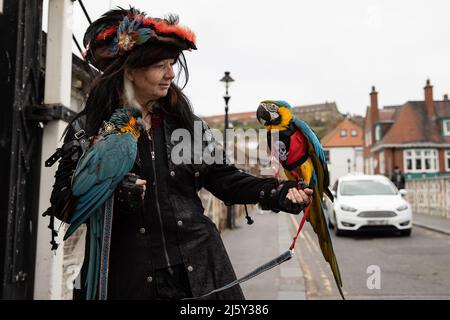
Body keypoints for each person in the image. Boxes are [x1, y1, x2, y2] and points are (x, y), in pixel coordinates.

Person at [47, 7, 313, 300]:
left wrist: (277, 191)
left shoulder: (186, 126)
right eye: (160, 65)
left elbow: (226, 180)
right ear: (130, 71)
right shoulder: (88, 129)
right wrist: (115, 194)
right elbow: (62, 203)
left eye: (172, 63)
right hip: (127, 280)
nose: (171, 74)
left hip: (201, 274)